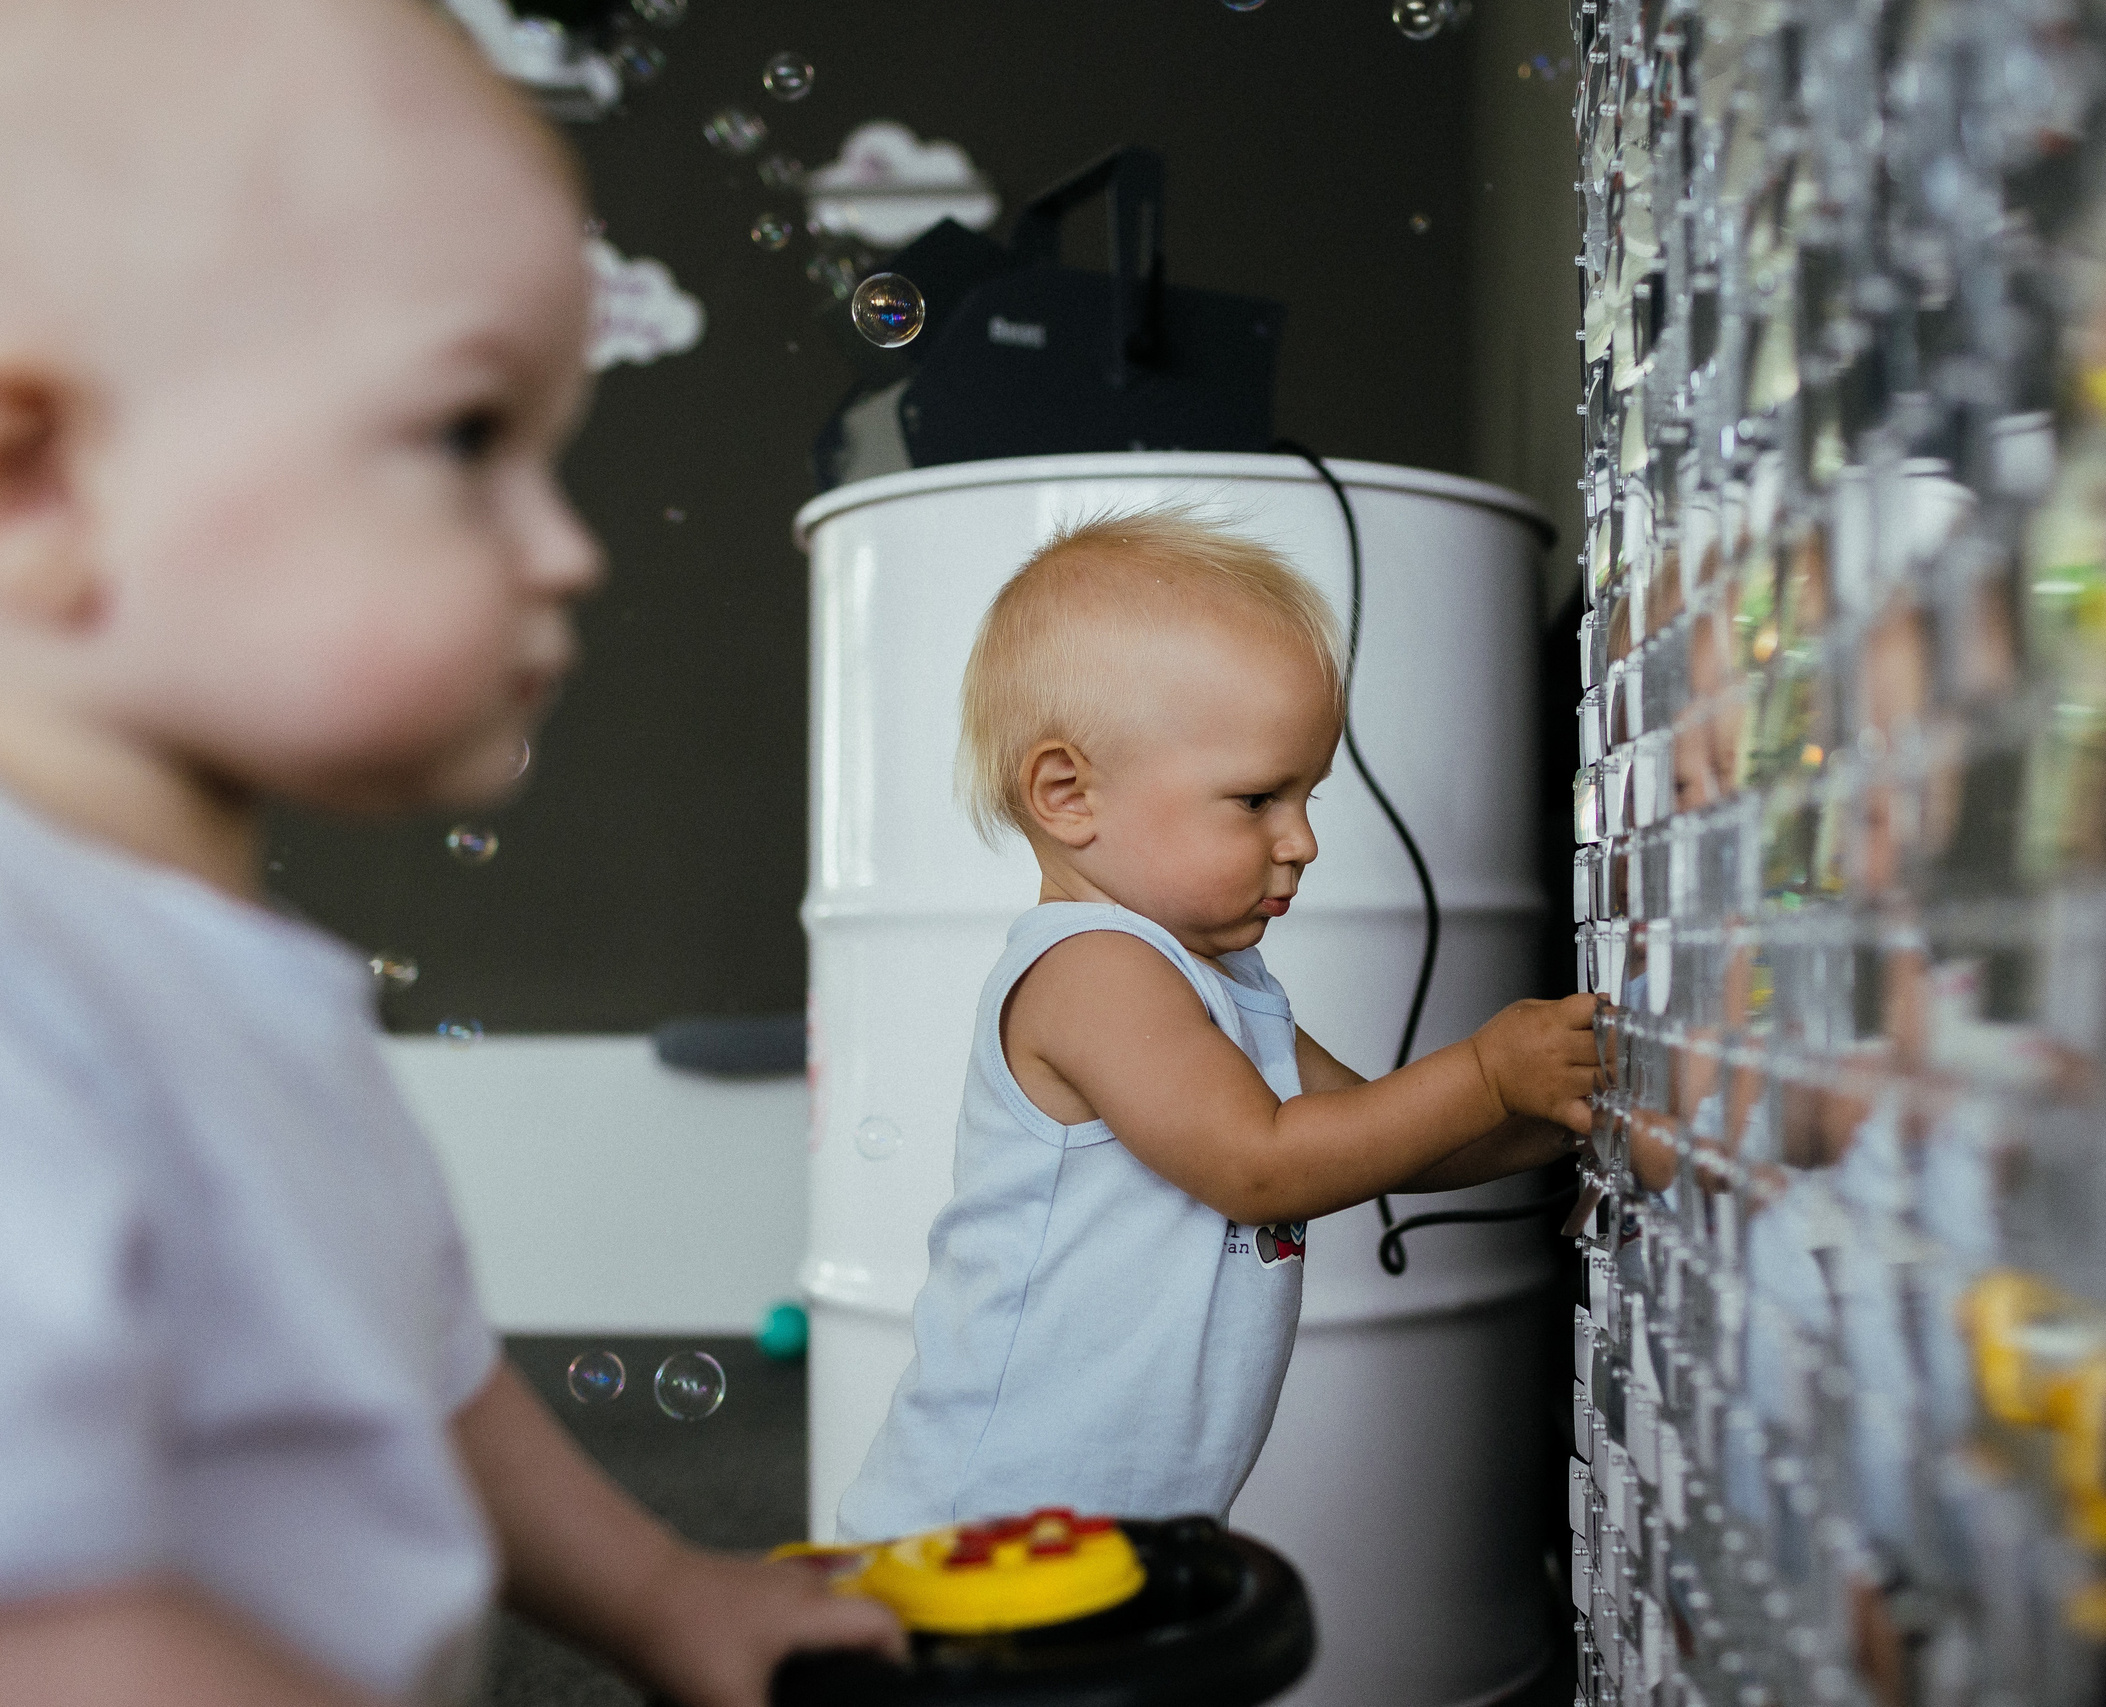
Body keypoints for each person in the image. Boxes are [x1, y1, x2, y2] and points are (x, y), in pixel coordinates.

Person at [0, 3, 903, 1703]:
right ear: (39, 476)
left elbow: (417, 1374)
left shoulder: (241, 982)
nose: (568, 549)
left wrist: (662, 1594)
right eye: (470, 436)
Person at [838, 510, 1598, 1541]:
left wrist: (1562, 1120)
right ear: (1067, 794)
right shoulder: (1090, 969)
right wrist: (1487, 1072)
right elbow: (1262, 1164)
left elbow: (1382, 1137)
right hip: (984, 1527)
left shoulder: (1224, 984)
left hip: (1109, 1525)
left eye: (1308, 795)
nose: (1303, 840)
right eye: (1257, 800)